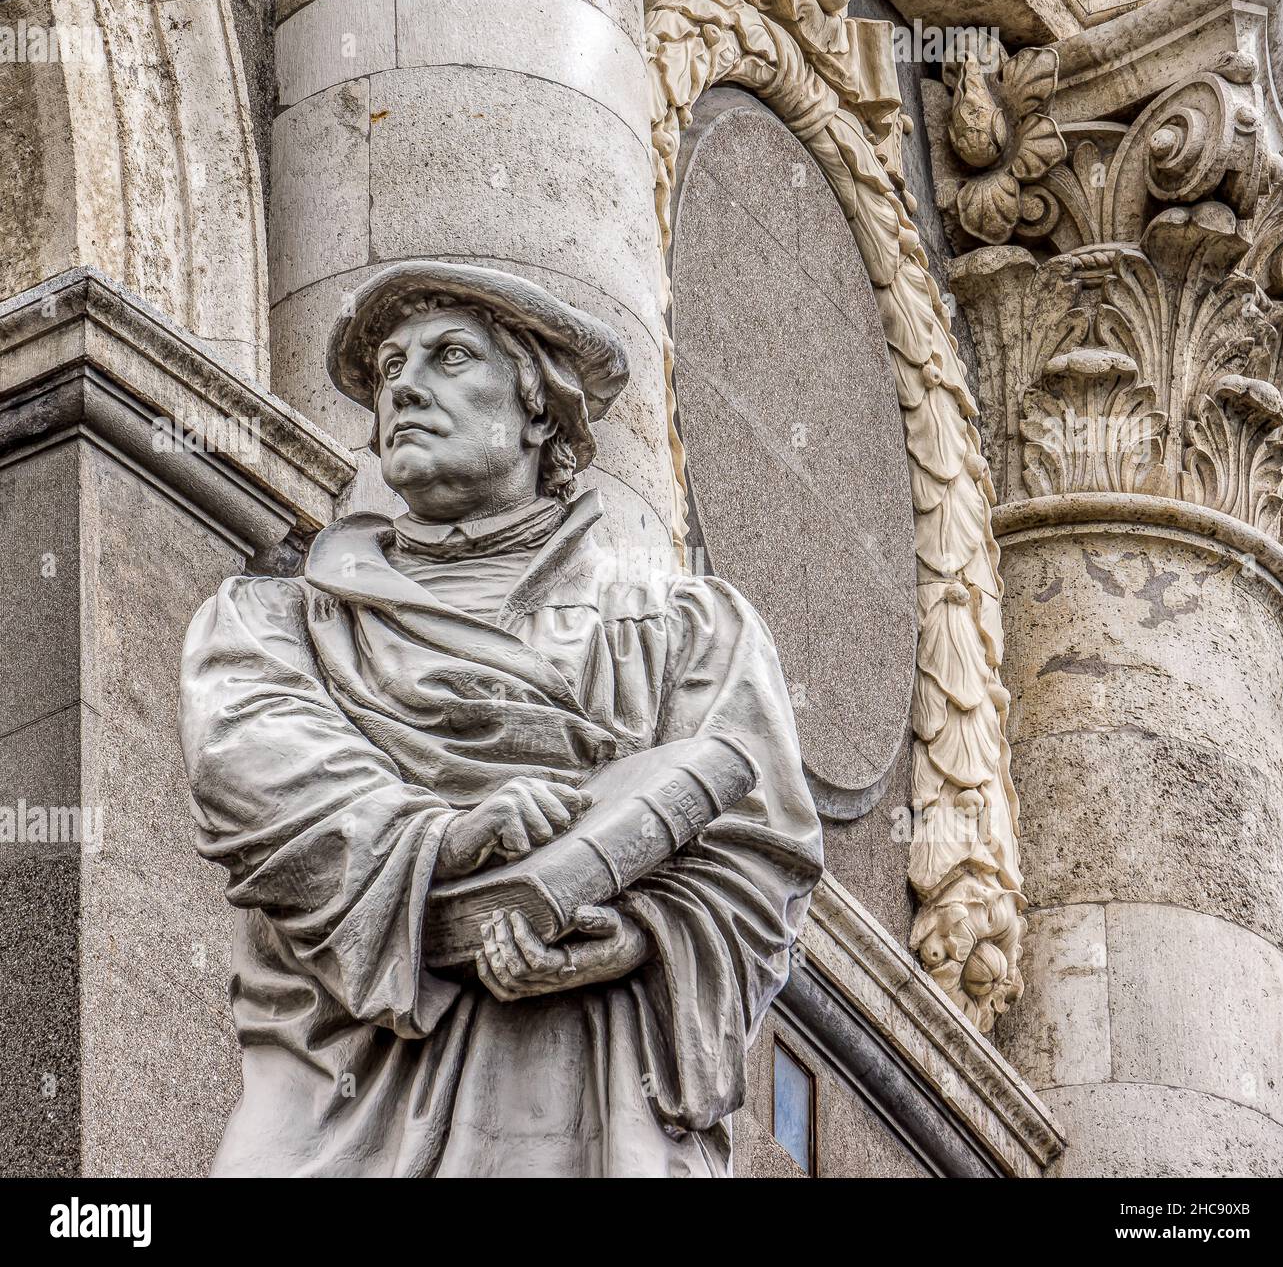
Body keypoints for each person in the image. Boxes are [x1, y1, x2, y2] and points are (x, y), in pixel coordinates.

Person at [179, 260, 822, 1176]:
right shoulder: (274, 623)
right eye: (391, 365)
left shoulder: (684, 628)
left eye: (448, 356)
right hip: (339, 1096)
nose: (404, 383)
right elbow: (264, 781)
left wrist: (636, 936)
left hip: (586, 1083)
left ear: (538, 409)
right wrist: (441, 838)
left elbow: (761, 855)